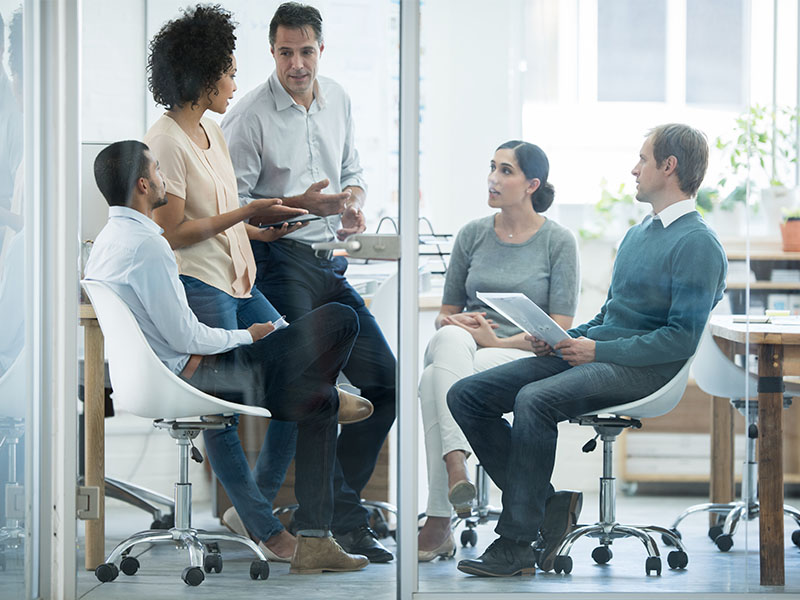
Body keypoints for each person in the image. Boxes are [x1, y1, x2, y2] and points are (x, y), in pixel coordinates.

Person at [143, 5, 372, 563]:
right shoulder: (166, 141)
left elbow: (228, 212)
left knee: (302, 367)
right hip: (202, 285)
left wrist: (262, 227)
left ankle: (257, 505)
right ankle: (268, 531)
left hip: (240, 275)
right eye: (228, 70)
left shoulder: (211, 132)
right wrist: (249, 214)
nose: (235, 82)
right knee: (221, 408)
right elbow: (172, 233)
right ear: (202, 76)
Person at [449, 124, 727, 577]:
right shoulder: (640, 234)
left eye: (642, 159)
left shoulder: (698, 244)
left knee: (534, 400)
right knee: (467, 395)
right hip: (605, 354)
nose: (633, 169)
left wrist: (597, 350)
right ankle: (549, 506)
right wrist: (562, 339)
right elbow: (610, 314)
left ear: (669, 167)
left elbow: (679, 338)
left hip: (648, 370)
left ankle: (517, 543)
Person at [85, 140, 370, 574]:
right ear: (143, 185)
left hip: (167, 378)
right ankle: (324, 391)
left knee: (318, 403)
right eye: (158, 170)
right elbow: (185, 335)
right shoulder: (149, 246)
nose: (163, 177)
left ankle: (315, 542)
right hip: (206, 376)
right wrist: (247, 335)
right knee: (342, 318)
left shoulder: (106, 242)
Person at [221, 2, 395, 562]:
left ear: (322, 49)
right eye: (285, 52)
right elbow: (235, 213)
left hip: (328, 262)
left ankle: (321, 509)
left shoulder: (339, 97)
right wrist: (300, 206)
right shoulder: (247, 116)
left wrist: (353, 206)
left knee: (383, 383)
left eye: (306, 51)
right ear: (271, 52)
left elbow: (355, 173)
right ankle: (332, 521)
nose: (297, 64)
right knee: (312, 387)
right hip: (278, 263)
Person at [417, 141, 579, 561]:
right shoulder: (472, 234)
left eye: (505, 171)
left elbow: (558, 331)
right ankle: (457, 465)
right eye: (492, 167)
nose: (492, 178)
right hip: (466, 346)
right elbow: (445, 313)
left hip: (522, 354)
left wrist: (498, 341)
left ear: (531, 184)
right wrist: (456, 323)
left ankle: (439, 519)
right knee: (447, 343)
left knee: (434, 380)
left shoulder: (558, 241)